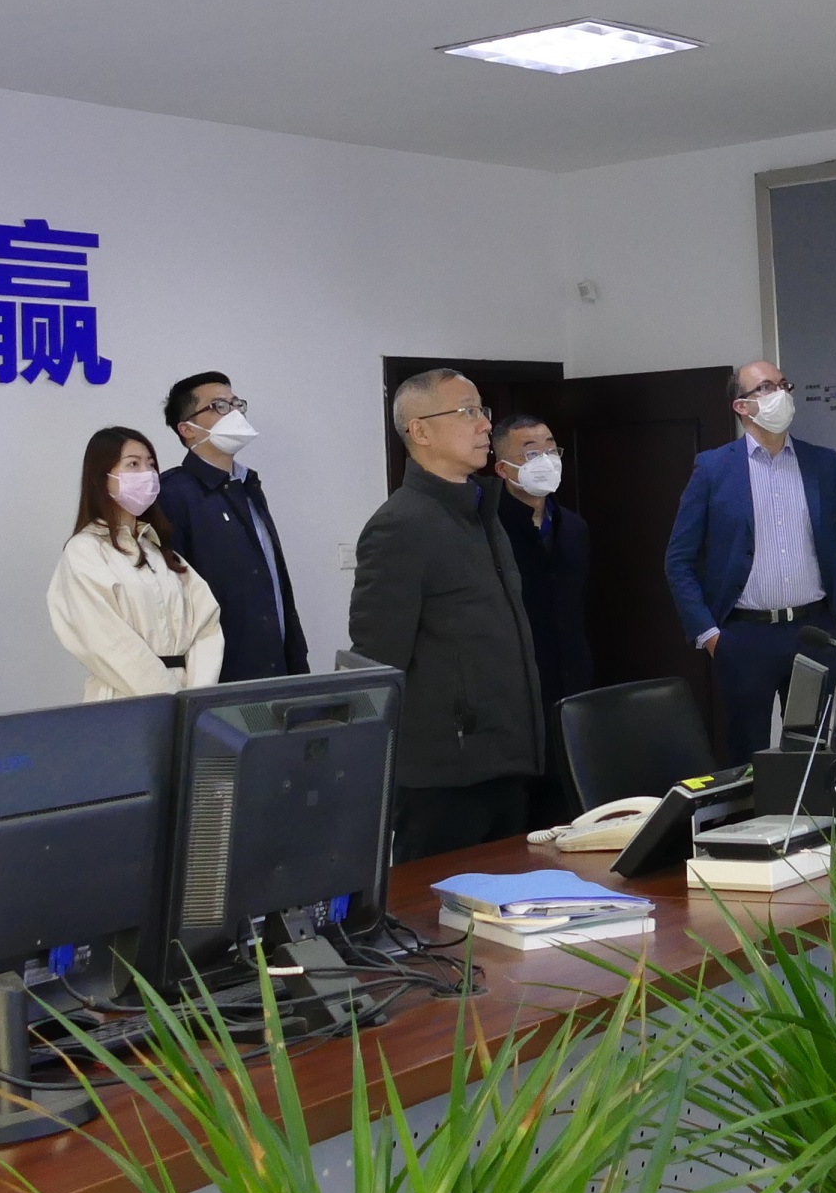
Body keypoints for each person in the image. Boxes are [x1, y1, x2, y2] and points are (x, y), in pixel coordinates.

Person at [349, 368, 544, 858]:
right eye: (468, 411)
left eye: (483, 410)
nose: (485, 425)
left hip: (507, 757)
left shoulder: (482, 513)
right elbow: (377, 659)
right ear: (420, 431)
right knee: (438, 902)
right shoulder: (400, 525)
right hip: (445, 774)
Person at [662, 360, 836, 763]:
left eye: (783, 384)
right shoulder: (713, 468)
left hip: (815, 632)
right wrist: (709, 635)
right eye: (765, 387)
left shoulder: (822, 464)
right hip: (744, 637)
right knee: (750, 760)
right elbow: (678, 560)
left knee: (811, 758)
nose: (779, 393)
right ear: (741, 406)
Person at [151, 371, 309, 681]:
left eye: (236, 404)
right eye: (219, 406)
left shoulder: (248, 485)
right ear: (187, 429)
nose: (234, 413)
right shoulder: (172, 495)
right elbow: (171, 600)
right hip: (221, 675)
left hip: (277, 667)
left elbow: (272, 581)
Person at [49, 428, 225, 699]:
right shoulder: (85, 551)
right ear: (102, 477)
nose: (147, 473)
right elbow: (106, 641)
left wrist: (196, 696)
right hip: (125, 699)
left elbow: (206, 625)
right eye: (133, 464)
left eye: (151, 465)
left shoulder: (160, 552)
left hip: (187, 698)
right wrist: (170, 700)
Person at [490, 412, 594, 805]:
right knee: (522, 803)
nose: (546, 461)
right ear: (503, 468)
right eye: (532, 453)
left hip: (571, 679)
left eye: (552, 450)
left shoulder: (574, 527)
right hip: (514, 686)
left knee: (569, 797)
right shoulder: (487, 529)